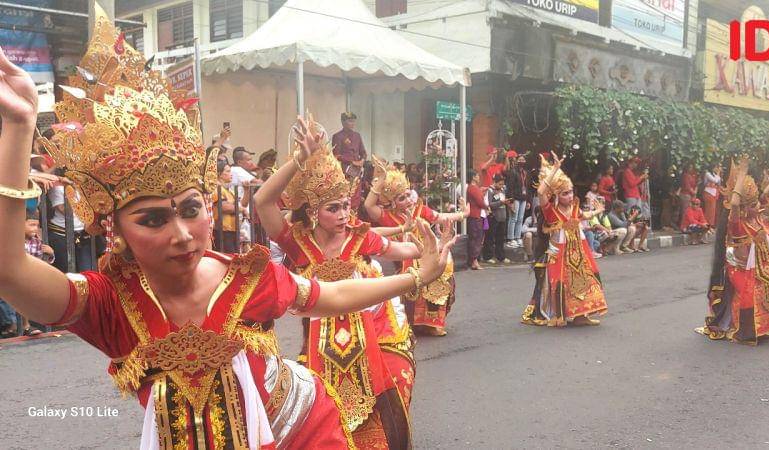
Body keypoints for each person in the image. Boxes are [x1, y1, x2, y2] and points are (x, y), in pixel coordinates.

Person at [0, 16, 454, 449]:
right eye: (153, 219)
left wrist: (417, 276)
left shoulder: (247, 277)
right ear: (111, 228)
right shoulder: (110, 305)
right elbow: (10, 271)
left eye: (191, 209)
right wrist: (20, 128)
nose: (182, 234)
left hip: (302, 429)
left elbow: (329, 296)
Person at [255, 119, 422, 447]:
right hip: (319, 358)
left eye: (346, 205)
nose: (345, 213)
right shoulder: (299, 244)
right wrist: (299, 161)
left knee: (391, 406)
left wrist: (423, 248)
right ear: (314, 213)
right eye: (334, 208)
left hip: (371, 348)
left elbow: (404, 249)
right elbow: (263, 202)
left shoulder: (359, 238)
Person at [364, 157, 468, 336]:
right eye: (402, 198)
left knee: (444, 272)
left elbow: (440, 217)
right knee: (414, 277)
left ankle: (433, 322)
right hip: (405, 259)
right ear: (392, 202)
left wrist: (462, 214)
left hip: (426, 254)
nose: (408, 201)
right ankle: (415, 322)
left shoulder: (420, 210)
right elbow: (368, 205)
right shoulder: (387, 216)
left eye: (408, 195)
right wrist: (379, 183)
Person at [698, 158, 769, 345]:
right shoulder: (738, 224)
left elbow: (763, 195)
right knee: (751, 292)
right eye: (754, 204)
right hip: (738, 269)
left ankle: (763, 329)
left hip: (759, 268)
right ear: (746, 209)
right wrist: (740, 176)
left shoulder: (757, 221)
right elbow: (736, 203)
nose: (759, 206)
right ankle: (746, 330)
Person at [521, 153, 608, 327]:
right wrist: (554, 170)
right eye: (565, 193)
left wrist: (598, 211)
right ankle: (560, 314)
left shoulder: (574, 208)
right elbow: (540, 192)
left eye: (571, 192)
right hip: (558, 253)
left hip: (579, 253)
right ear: (556, 195)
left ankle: (580, 316)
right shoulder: (550, 211)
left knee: (586, 280)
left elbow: (585, 215)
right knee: (560, 283)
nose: (570, 196)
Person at [213, 162, 244, 253]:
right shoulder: (216, 188)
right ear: (220, 174)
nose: (231, 174)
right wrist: (241, 209)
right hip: (223, 230)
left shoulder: (227, 189)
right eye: (228, 171)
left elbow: (239, 204)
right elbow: (224, 207)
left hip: (232, 229)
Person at [331, 112, 366, 180]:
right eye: (350, 121)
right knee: (348, 189)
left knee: (357, 189)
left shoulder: (357, 135)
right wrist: (352, 162)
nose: (352, 123)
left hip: (357, 170)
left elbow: (363, 152)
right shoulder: (338, 136)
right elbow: (336, 155)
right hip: (345, 169)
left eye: (353, 121)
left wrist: (362, 161)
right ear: (343, 122)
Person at [485, 174, 510, 263]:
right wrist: (500, 202)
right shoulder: (490, 191)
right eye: (499, 184)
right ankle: (488, 256)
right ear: (494, 182)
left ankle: (501, 256)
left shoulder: (503, 190)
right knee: (490, 237)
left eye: (502, 184)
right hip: (494, 217)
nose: (501, 186)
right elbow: (490, 204)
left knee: (500, 238)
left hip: (502, 217)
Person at [505, 153, 529, 249]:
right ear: (516, 161)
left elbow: (526, 187)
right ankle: (510, 239)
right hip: (515, 198)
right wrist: (511, 202)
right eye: (520, 160)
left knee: (520, 219)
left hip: (523, 198)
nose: (522, 161)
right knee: (513, 218)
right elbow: (509, 187)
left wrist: (528, 200)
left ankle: (517, 237)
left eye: (523, 160)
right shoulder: (513, 172)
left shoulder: (525, 172)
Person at [465, 171, 487, 270]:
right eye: (477, 176)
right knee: (476, 237)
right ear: (474, 177)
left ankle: (473, 259)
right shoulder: (473, 188)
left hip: (475, 214)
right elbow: (480, 202)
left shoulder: (472, 188)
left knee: (475, 237)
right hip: (475, 215)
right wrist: (487, 207)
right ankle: (474, 260)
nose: (479, 178)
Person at [702, 164, 722, 229]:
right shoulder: (707, 174)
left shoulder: (715, 175)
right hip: (708, 193)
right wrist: (718, 174)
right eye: (716, 167)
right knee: (708, 210)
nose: (717, 169)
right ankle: (706, 225)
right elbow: (715, 180)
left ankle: (710, 225)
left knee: (712, 211)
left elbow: (718, 183)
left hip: (713, 194)